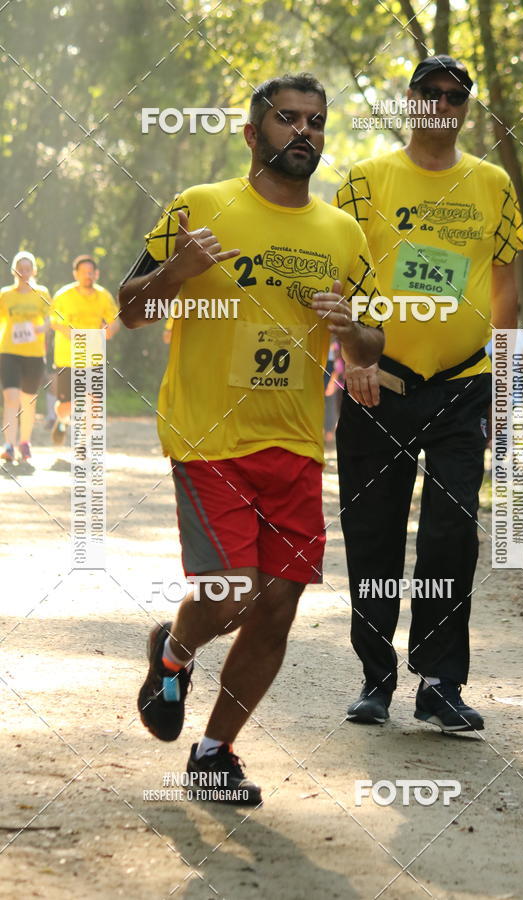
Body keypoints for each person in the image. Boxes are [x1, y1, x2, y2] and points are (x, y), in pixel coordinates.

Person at [118, 73, 383, 804]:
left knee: (276, 606)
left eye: (317, 121)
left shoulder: (342, 232)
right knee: (232, 593)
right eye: (288, 119)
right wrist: (178, 270)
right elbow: (130, 308)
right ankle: (173, 656)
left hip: (295, 445)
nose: (305, 132)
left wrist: (349, 329)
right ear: (252, 132)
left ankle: (214, 753)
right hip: (207, 437)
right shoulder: (200, 207)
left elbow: (371, 346)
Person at [334, 55, 523, 732]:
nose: (442, 105)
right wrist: (349, 356)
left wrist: (508, 393)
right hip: (378, 383)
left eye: (455, 97)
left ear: (465, 108)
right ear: (409, 101)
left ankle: (441, 682)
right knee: (374, 532)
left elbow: (507, 291)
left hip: (464, 387)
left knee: (452, 535)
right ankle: (375, 678)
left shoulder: (492, 183)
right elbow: (339, 281)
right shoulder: (366, 180)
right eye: (431, 94)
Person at [49, 255, 119, 447]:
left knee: (94, 401)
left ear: (96, 274)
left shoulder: (103, 295)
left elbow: (114, 321)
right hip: (67, 358)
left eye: (91, 272)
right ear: (75, 274)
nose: (88, 276)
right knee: (67, 406)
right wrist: (69, 332)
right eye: (84, 272)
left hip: (93, 357)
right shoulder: (64, 295)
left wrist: (110, 330)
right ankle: (62, 421)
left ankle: (82, 442)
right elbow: (52, 321)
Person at [0, 251, 51, 465]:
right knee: (10, 398)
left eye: (27, 269)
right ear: (14, 270)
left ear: (33, 271)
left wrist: (41, 328)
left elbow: (50, 320)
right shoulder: (5, 294)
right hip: (9, 351)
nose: (23, 272)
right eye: (20, 268)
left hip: (34, 353)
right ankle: (8, 446)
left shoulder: (42, 292)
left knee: (28, 401)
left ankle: (24, 443)